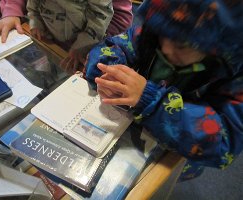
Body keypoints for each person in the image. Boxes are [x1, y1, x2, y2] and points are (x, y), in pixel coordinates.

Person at [85, 0, 243, 180]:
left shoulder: (232, 77)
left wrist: (152, 100)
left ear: (219, 48)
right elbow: (113, 46)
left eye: (182, 44)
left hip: (173, 158)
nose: (166, 48)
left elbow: (225, 142)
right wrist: (112, 71)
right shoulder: (152, 36)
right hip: (127, 136)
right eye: (162, 32)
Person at [0, 0, 133, 73]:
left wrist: (86, 45)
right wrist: (13, 11)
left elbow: (120, 19)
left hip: (92, 50)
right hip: (49, 43)